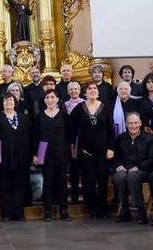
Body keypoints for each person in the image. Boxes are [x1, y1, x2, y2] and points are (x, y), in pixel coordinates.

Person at [70, 82, 115, 218]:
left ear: (98, 91)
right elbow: (71, 127)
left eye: (95, 88)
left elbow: (110, 129)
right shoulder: (79, 108)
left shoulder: (105, 108)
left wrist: (111, 148)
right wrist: (73, 146)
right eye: (89, 89)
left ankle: (102, 207)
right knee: (88, 178)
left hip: (103, 149)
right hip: (86, 150)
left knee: (102, 178)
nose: (92, 90)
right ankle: (91, 207)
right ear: (85, 92)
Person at [0, 92, 32, 222]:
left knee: (20, 185)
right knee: (6, 185)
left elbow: (30, 137)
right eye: (5, 101)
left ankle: (18, 212)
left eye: (11, 100)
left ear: (15, 103)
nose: (8, 102)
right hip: (4, 157)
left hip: (21, 156)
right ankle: (7, 213)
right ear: (2, 103)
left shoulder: (23, 118)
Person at [33, 89, 71, 222]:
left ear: (57, 99)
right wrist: (35, 154)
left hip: (61, 152)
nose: (50, 100)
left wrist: (69, 151)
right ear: (44, 100)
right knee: (47, 182)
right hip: (45, 153)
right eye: (47, 97)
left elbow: (69, 135)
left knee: (61, 182)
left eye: (52, 97)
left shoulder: (64, 116)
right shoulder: (40, 117)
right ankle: (47, 211)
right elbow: (35, 137)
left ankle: (64, 210)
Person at [112, 112, 153, 224]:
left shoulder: (149, 139)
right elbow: (115, 156)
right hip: (125, 169)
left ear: (140, 123)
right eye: (130, 123)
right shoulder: (121, 138)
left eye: (135, 123)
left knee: (133, 176)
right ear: (126, 124)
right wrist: (118, 165)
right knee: (119, 177)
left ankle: (140, 210)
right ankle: (125, 209)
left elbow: (152, 159)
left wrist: (138, 167)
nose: (133, 126)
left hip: (143, 170)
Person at [64, 81, 85, 204]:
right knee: (73, 169)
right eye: (71, 89)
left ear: (80, 90)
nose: (73, 91)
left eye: (76, 88)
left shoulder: (85, 104)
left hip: (83, 139)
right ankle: (74, 196)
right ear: (68, 92)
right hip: (69, 139)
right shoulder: (64, 105)